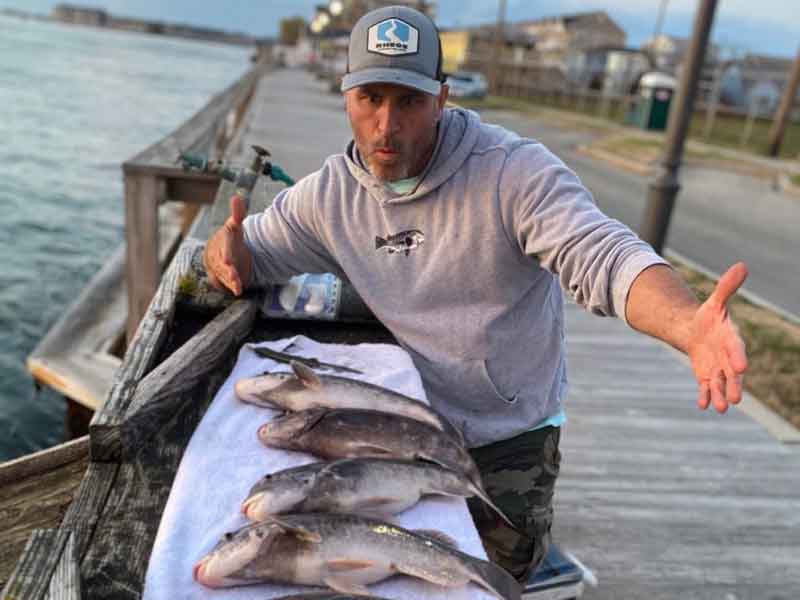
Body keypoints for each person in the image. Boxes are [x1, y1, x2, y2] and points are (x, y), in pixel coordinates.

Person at [203, 5, 748, 584]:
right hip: (395, 426)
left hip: (505, 435)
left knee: (493, 575)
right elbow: (246, 254)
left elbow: (602, 253)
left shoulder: (513, 173)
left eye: (409, 101)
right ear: (347, 96)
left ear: (442, 99)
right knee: (376, 568)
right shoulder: (327, 198)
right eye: (371, 98)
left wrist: (685, 323)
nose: (386, 125)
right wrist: (224, 254)